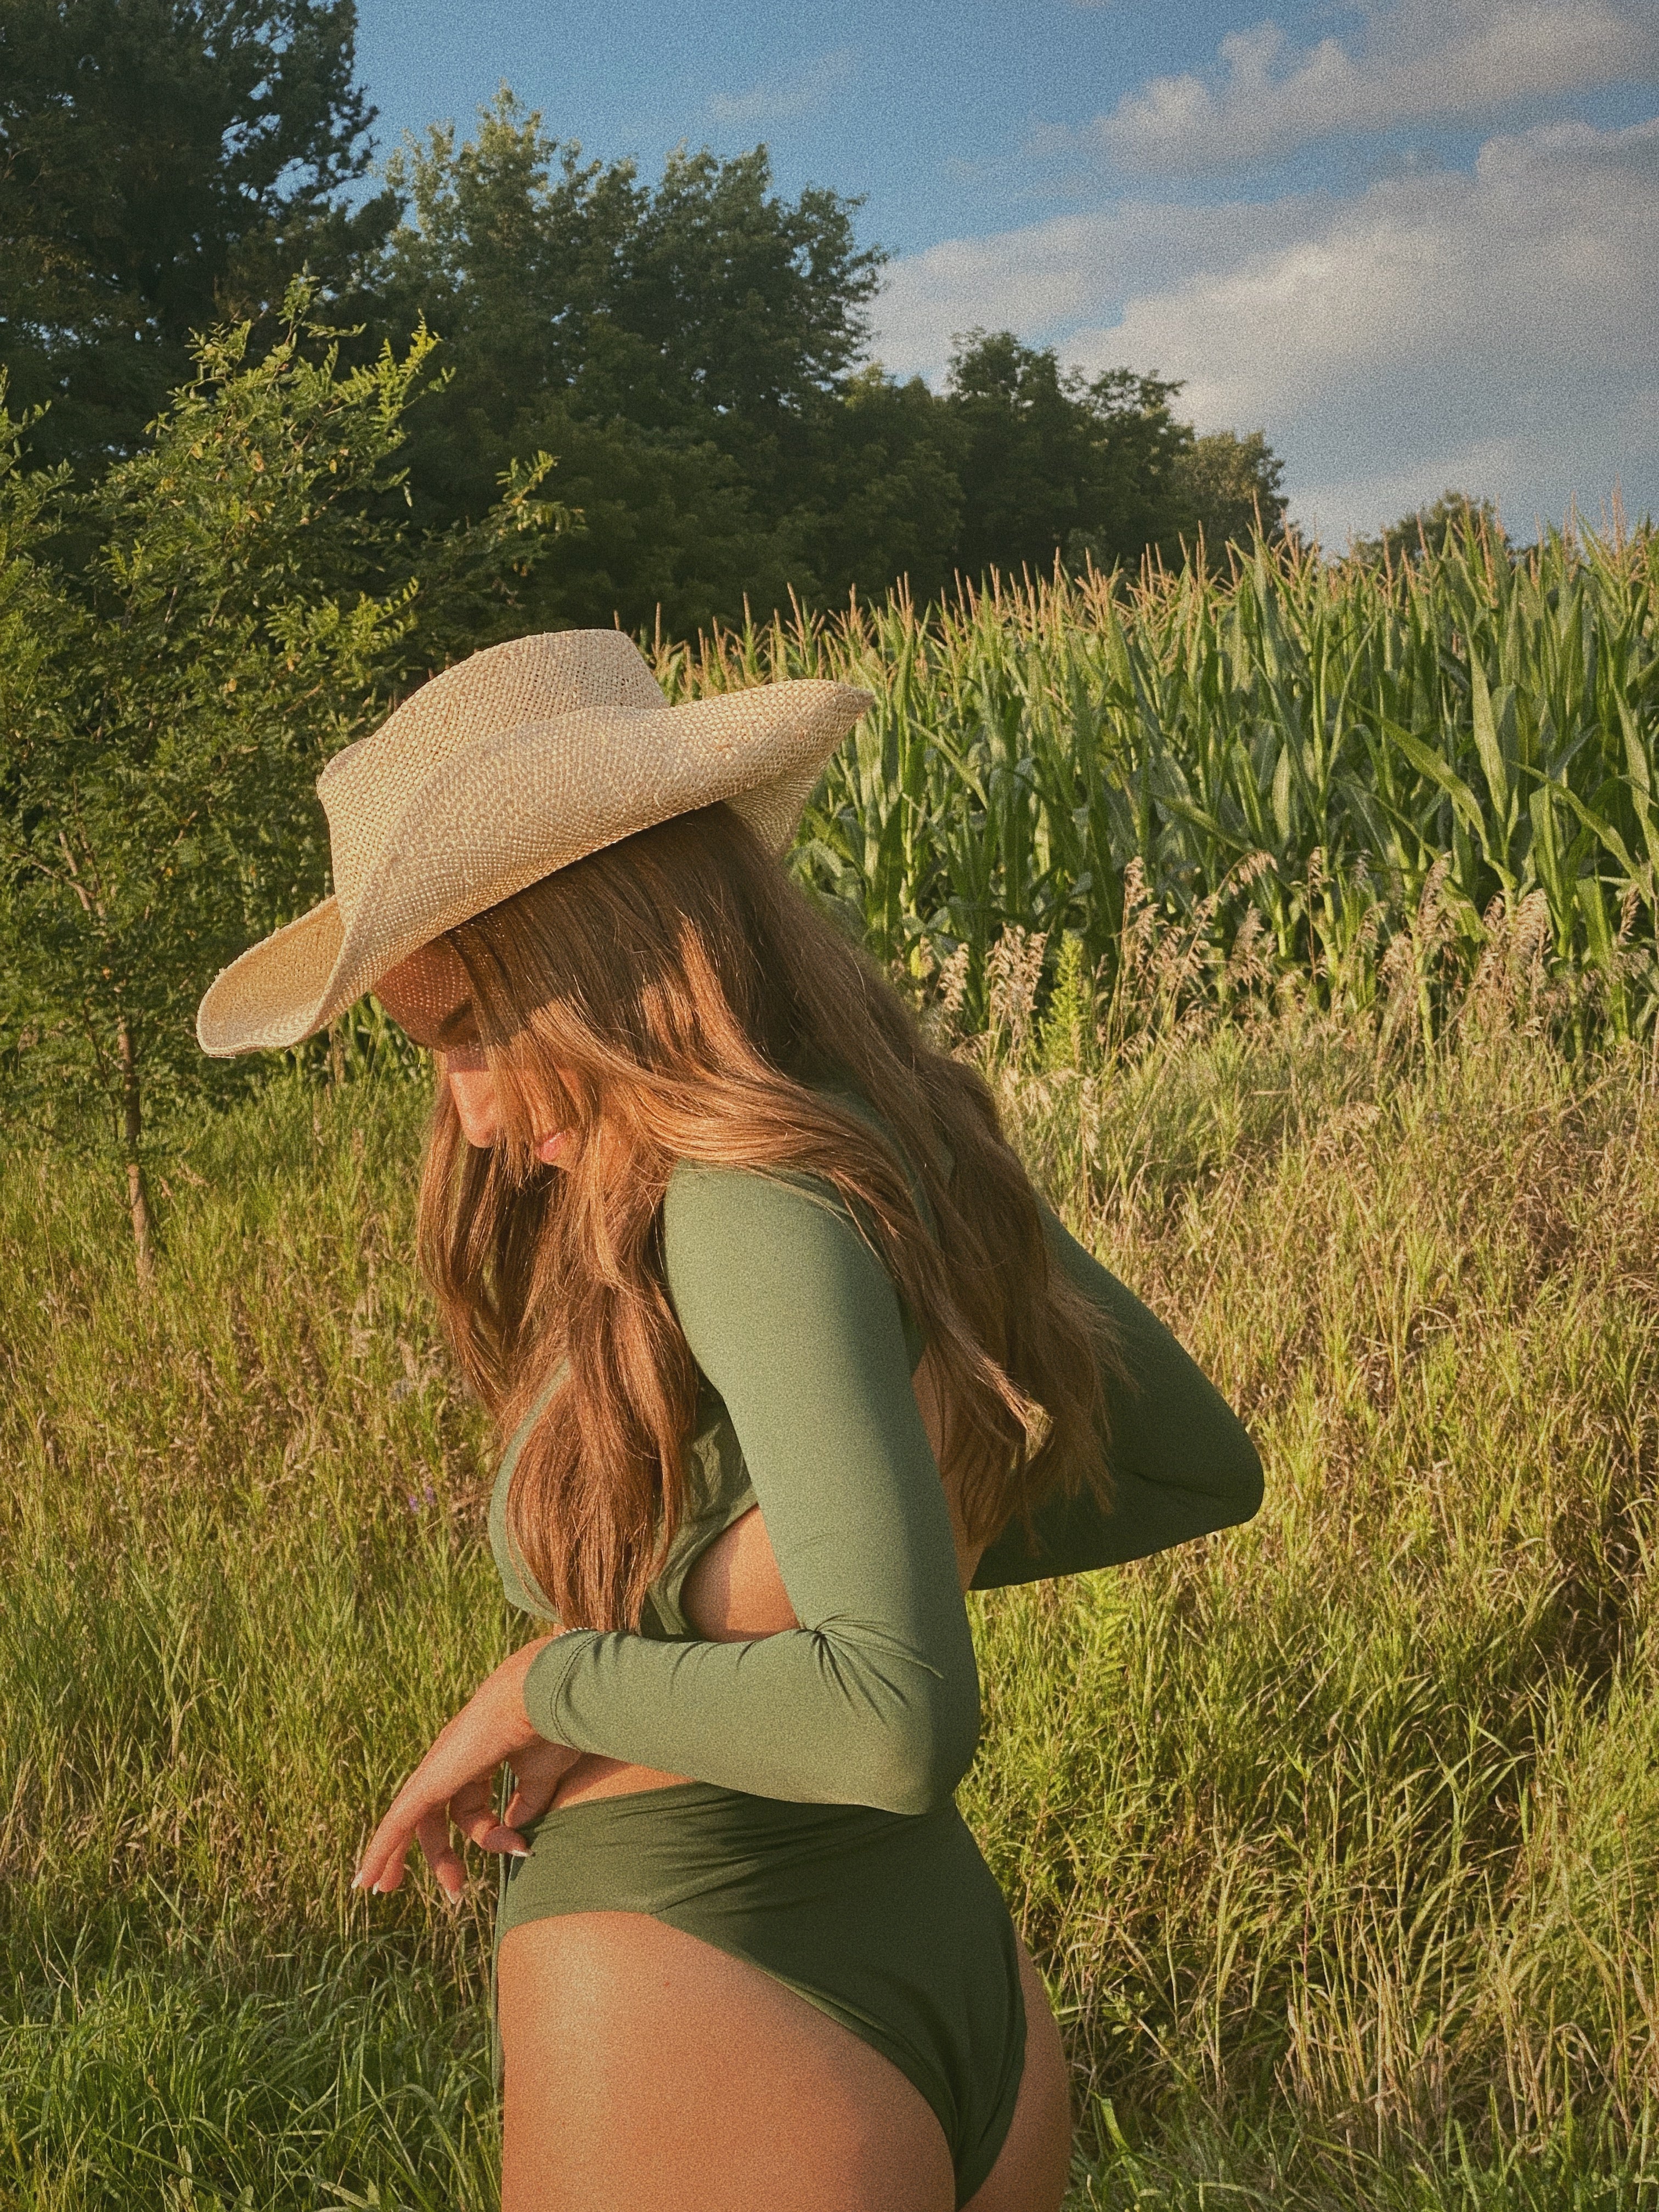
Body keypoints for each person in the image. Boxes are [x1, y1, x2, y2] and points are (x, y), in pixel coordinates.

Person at [198, 629, 1263, 2212]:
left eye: (466, 1031)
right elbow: (1187, 1462)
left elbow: (891, 1718)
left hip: (700, 1981)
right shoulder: (898, 1141)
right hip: (951, 1975)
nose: (474, 1119)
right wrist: (814, 1570)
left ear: (590, 954)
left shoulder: (734, 1209)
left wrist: (559, 1680)